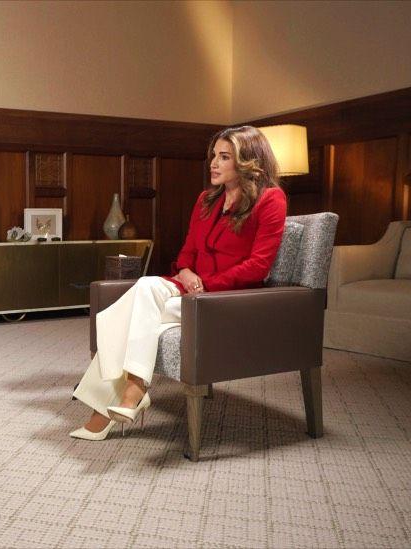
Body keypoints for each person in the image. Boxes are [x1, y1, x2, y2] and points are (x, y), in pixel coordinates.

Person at [70, 125, 287, 440]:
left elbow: (258, 266)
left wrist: (206, 286)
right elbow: (186, 253)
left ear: (248, 161)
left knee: (125, 315)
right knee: (145, 286)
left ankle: (114, 401)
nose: (213, 163)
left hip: (227, 298)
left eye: (224, 157)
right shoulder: (206, 200)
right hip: (188, 288)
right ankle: (133, 391)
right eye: (213, 155)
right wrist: (186, 273)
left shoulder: (271, 200)